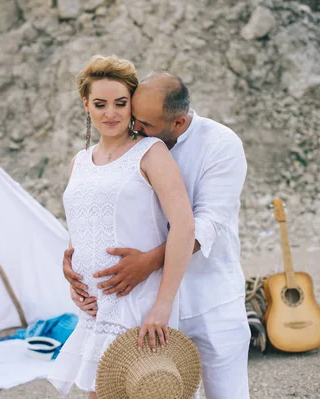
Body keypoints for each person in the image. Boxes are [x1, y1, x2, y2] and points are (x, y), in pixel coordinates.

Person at [63, 71, 251, 399]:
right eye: (133, 117)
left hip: (210, 298)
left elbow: (207, 224)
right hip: (147, 300)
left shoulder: (220, 144)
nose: (134, 127)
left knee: (228, 393)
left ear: (176, 123)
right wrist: (75, 265)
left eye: (144, 124)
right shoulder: (129, 148)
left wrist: (149, 261)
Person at [47, 55, 195, 398]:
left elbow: (185, 227)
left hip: (139, 304)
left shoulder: (151, 152)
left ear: (133, 105)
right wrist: (73, 275)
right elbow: (81, 227)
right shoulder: (79, 162)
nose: (110, 113)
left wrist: (163, 304)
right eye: (100, 104)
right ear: (86, 105)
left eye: (120, 103)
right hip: (95, 307)